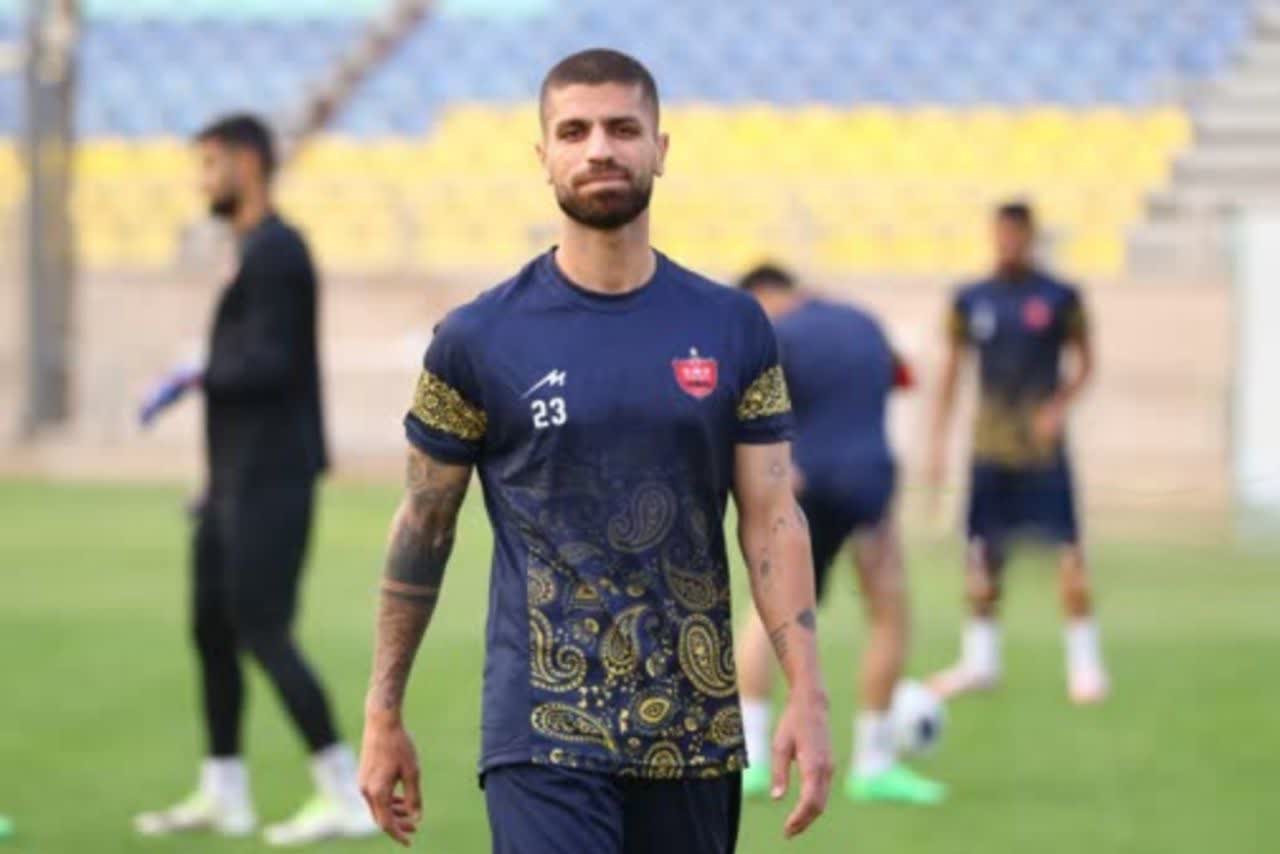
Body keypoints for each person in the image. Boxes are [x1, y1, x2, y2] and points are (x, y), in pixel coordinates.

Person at [356, 49, 834, 854]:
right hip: (541, 735)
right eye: (574, 132)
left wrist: (808, 694)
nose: (600, 149)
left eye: (623, 128)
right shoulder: (476, 339)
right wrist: (382, 712)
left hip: (693, 732)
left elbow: (773, 517)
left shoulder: (734, 327)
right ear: (543, 156)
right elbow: (424, 526)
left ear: (660, 149)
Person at [133, 114, 376, 845]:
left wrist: (197, 373)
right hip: (230, 483)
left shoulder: (278, 251)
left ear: (246, 163)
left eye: (210, 164)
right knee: (211, 629)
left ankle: (346, 794)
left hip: (273, 479)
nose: (202, 180)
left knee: (264, 629)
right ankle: (224, 791)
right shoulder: (248, 251)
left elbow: (271, 364)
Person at [732, 265, 945, 806]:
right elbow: (901, 379)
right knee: (888, 613)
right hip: (870, 480)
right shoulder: (863, 321)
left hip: (804, 482)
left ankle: (752, 757)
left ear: (762, 295)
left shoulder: (776, 336)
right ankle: (874, 764)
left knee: (770, 613)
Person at [927, 202, 1108, 704]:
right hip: (990, 449)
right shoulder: (971, 299)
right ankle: (980, 662)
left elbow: (1086, 364)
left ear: (1030, 237)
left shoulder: (1059, 297)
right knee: (983, 557)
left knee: (1068, 554)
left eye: (1016, 235)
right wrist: (938, 441)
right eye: (1001, 234)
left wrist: (1058, 406)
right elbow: (951, 372)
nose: (1007, 243)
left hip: (1042, 453)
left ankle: (1085, 665)